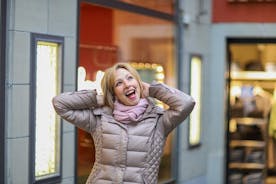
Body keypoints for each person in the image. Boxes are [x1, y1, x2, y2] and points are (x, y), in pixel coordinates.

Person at [52, 62, 195, 184]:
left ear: (138, 82)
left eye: (130, 78)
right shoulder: (100, 118)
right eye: (119, 83)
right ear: (113, 92)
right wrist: (99, 99)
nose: (127, 85)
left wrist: (153, 90)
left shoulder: (159, 121)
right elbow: (60, 104)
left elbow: (187, 103)